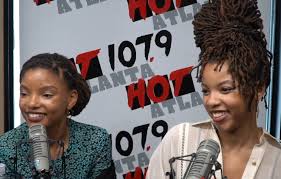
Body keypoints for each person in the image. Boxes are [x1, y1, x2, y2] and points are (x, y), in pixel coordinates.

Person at [146, 0, 281, 179]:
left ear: (258, 88)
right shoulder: (180, 140)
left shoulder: (277, 160)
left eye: (225, 89)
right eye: (206, 91)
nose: (211, 101)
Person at [0, 53, 116, 178]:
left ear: (71, 99)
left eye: (46, 95)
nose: (32, 103)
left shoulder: (95, 141)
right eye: (24, 93)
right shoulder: (8, 146)